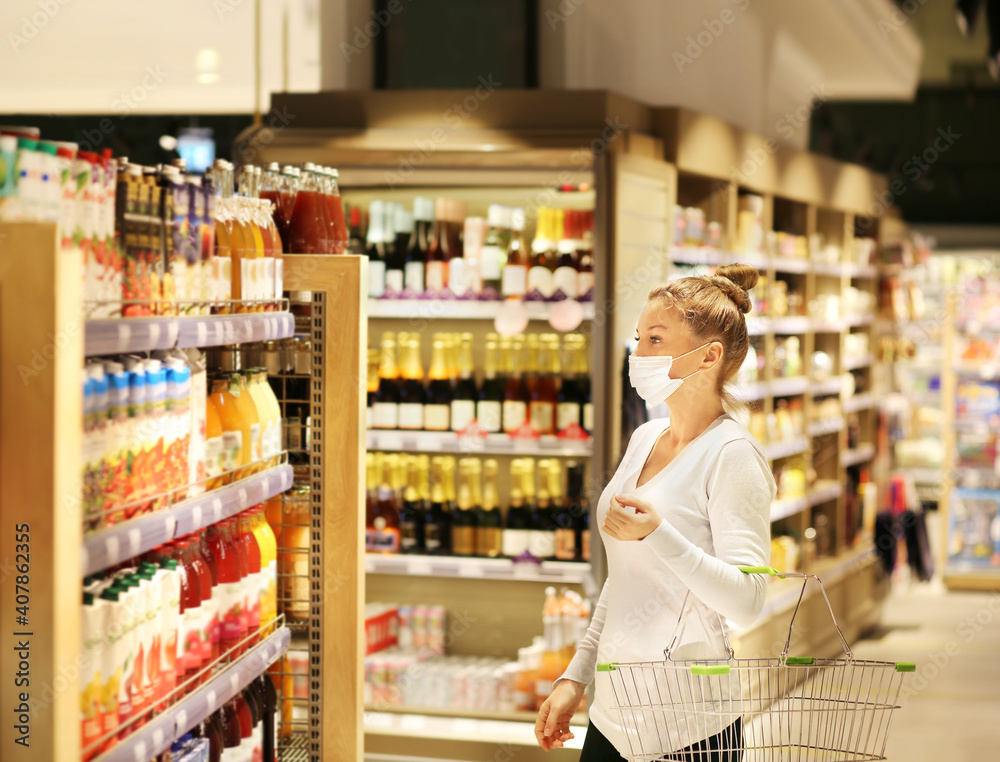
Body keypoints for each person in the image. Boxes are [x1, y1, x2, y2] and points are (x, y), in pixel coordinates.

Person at [534, 264, 776, 762]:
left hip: (690, 728)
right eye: (639, 338)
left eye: (654, 340)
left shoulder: (732, 456)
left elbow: (749, 601)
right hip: (612, 716)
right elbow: (623, 583)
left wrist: (659, 535)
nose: (637, 354)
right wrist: (575, 676)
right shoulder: (645, 439)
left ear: (708, 356)